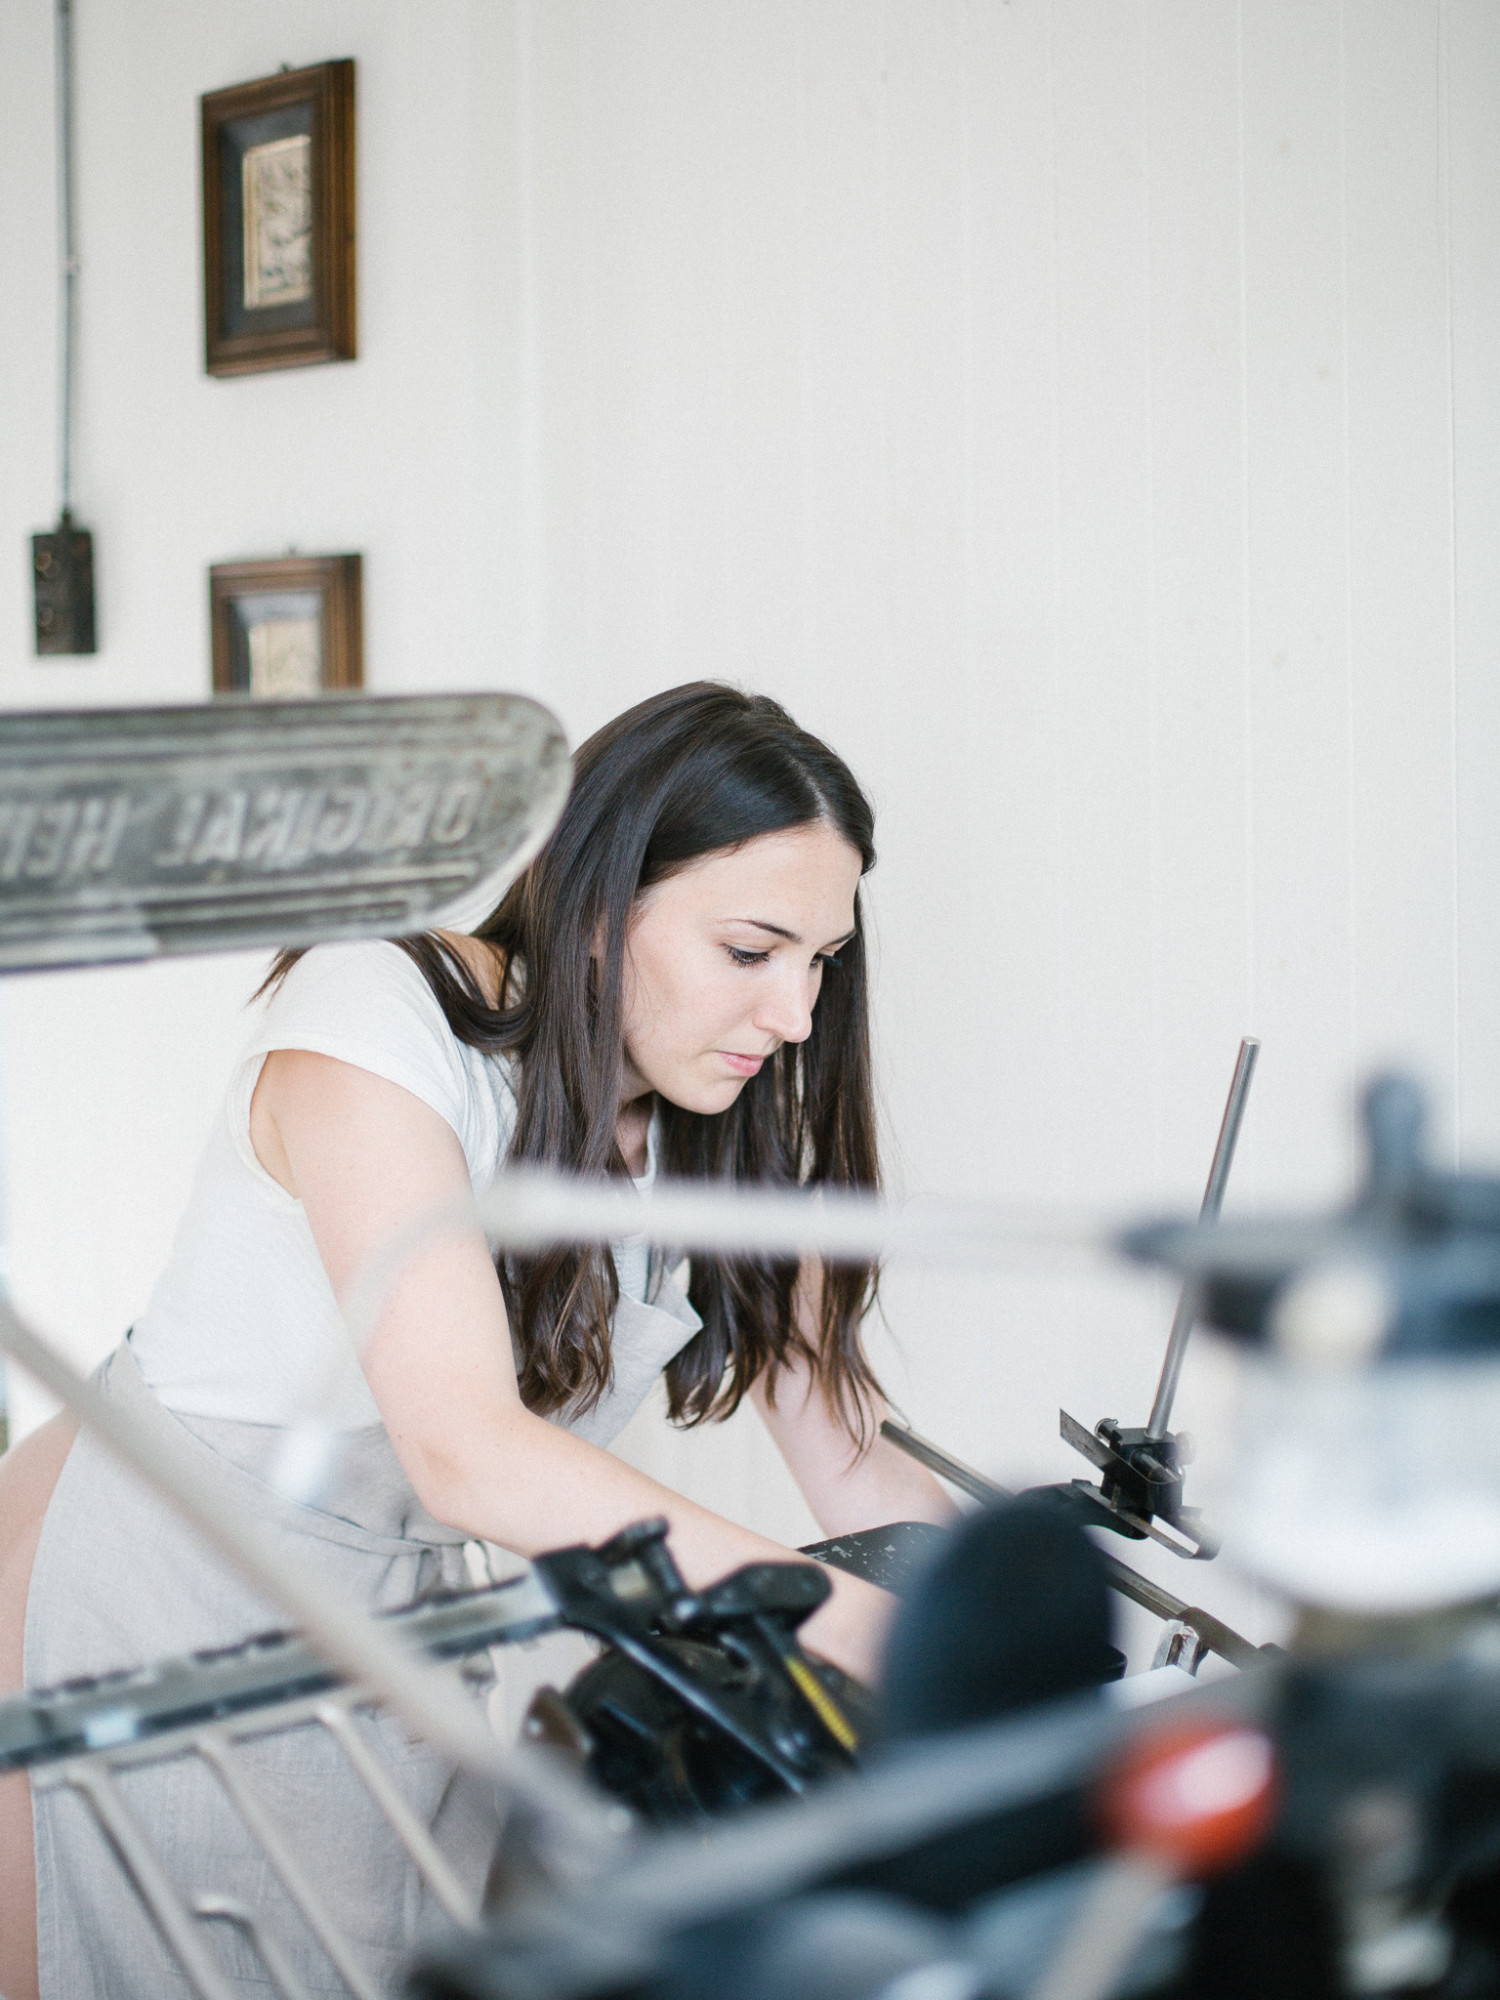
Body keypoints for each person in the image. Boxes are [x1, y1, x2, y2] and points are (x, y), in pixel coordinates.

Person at [0, 681, 957, 1999]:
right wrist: (865, 1629)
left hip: (422, 1624)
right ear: (602, 902)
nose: (794, 1015)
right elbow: (464, 1449)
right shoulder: (377, 1016)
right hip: (184, 1590)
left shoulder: (715, 1132)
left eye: (820, 964)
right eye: (751, 953)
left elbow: (855, 1475)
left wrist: (1016, 1616)